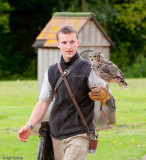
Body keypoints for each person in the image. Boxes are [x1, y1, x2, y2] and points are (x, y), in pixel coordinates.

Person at [17, 26, 114, 160]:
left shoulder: (89, 69)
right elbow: (43, 102)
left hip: (79, 134)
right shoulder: (52, 71)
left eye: (72, 42)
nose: (68, 46)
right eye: (64, 42)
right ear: (58, 44)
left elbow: (108, 95)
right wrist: (29, 125)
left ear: (77, 43)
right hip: (55, 135)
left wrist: (106, 94)